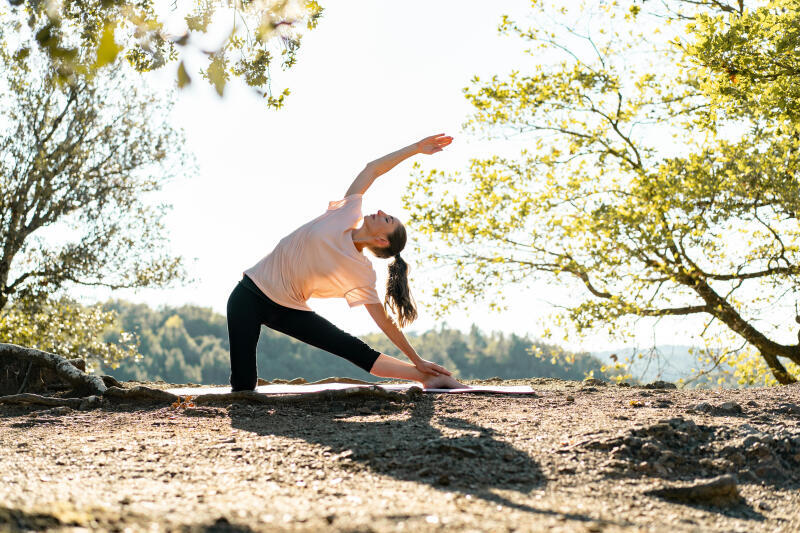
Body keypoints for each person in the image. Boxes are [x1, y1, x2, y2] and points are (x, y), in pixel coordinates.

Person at [227, 133, 465, 391]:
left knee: (350, 346)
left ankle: (428, 377)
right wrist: (416, 149)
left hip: (289, 309)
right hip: (248, 296)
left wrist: (417, 360)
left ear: (382, 241)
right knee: (243, 387)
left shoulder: (361, 271)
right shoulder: (347, 212)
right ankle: (243, 391)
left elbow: (385, 322)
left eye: (387, 221)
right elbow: (372, 170)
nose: (382, 213)